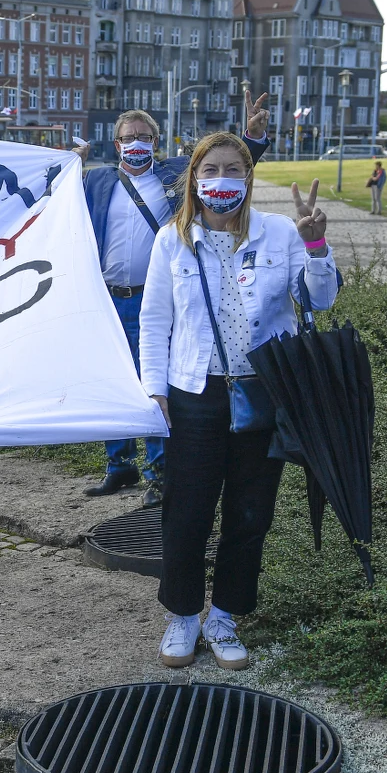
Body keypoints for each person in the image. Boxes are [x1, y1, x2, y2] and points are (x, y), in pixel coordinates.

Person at [139, 132, 338, 671]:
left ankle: (224, 616)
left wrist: (317, 247)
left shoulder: (280, 232)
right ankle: (183, 615)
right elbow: (154, 321)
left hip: (262, 392)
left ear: (248, 177)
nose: (221, 179)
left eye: (232, 169)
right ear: (194, 179)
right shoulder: (172, 240)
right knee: (186, 512)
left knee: (250, 513)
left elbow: (320, 300)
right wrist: (155, 391)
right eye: (210, 170)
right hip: (194, 394)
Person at [75, 93, 270, 509]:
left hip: (158, 299)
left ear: (156, 141)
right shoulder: (97, 180)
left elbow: (224, 167)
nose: (136, 143)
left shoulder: (175, 175)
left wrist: (252, 137)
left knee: (154, 381)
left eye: (144, 136)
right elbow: (53, 202)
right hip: (108, 298)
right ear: (117, 144)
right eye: (129, 137)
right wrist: (67, 166)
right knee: (114, 381)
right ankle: (118, 464)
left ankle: (159, 471)